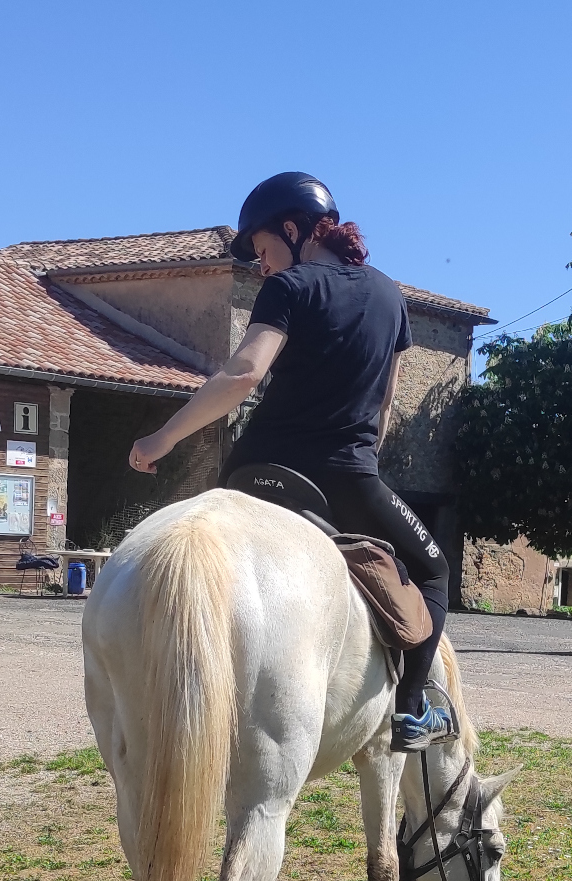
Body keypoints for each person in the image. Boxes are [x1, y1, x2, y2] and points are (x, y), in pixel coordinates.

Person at [127, 172, 455, 750]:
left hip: (253, 473)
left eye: (262, 250)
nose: (261, 265)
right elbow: (383, 404)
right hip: (344, 479)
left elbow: (244, 372)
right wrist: (361, 459)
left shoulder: (291, 288)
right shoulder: (390, 297)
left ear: (293, 229)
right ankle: (412, 707)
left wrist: (160, 440)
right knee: (433, 571)